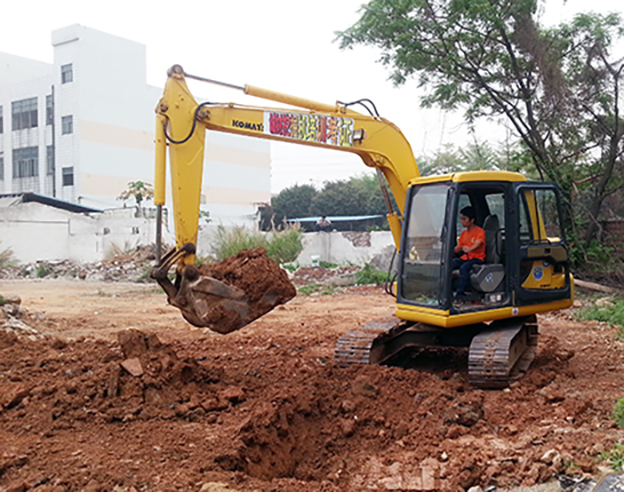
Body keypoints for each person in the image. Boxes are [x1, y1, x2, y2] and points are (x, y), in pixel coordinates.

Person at [452, 206, 486, 301]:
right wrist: (457, 249)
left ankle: (460, 294)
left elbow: (478, 243)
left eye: (464, 219)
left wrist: (470, 248)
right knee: (450, 264)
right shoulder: (463, 233)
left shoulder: (479, 232)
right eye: (461, 219)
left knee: (464, 268)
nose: (462, 221)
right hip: (465, 257)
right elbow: (458, 248)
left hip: (477, 258)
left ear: (472, 220)